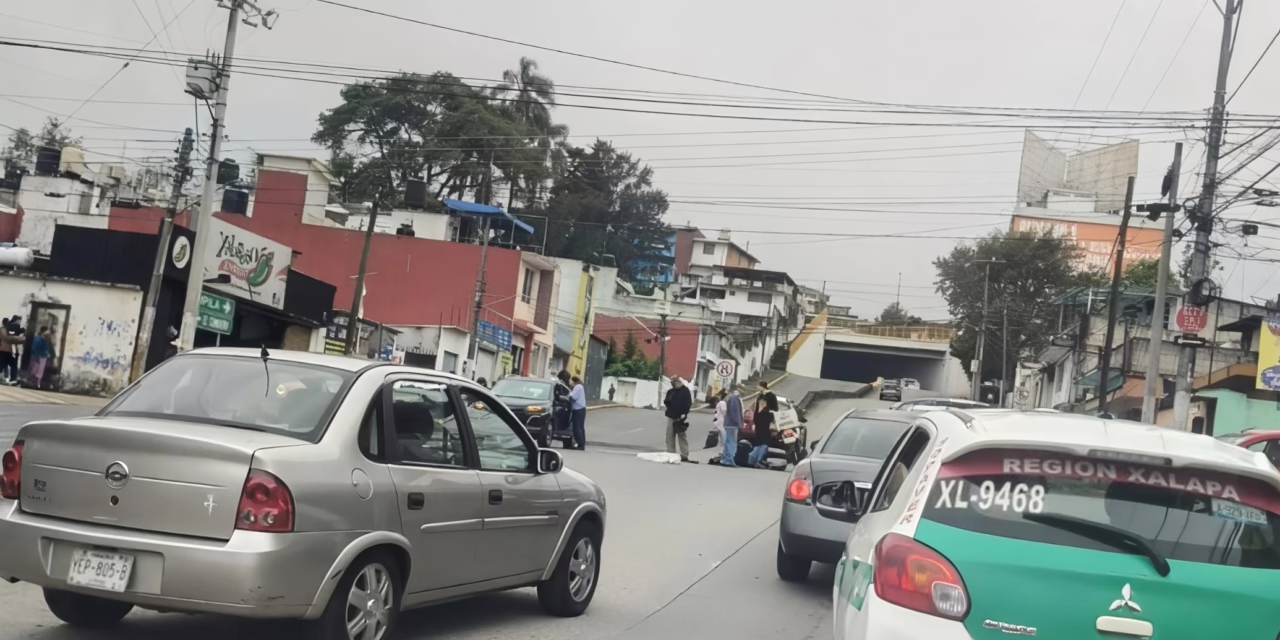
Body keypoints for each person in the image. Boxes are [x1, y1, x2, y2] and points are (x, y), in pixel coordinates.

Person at [748, 380, 778, 468]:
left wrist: (766, 408)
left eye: (758, 386)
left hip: (765, 420)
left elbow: (775, 408)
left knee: (763, 440)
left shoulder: (770, 396)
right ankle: (756, 459)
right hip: (760, 420)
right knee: (761, 440)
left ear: (762, 386)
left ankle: (757, 459)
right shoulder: (760, 395)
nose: (757, 387)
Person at [663, 377, 693, 461]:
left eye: (677, 382)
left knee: (682, 435)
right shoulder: (671, 391)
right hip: (671, 415)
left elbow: (688, 403)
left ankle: (684, 454)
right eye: (674, 382)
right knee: (669, 435)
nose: (676, 384)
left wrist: (685, 413)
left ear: (680, 382)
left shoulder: (685, 391)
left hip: (681, 417)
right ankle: (670, 452)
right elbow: (666, 401)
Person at [721, 388, 744, 467]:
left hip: (729, 424)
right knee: (731, 442)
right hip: (732, 424)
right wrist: (740, 424)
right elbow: (735, 412)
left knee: (728, 441)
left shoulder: (732, 398)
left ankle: (725, 459)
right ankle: (729, 460)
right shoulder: (734, 398)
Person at [569, 375, 587, 450]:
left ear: (573, 381)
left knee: (577, 427)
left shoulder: (577, 387)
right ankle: (581, 443)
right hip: (581, 409)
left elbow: (573, 397)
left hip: (578, 409)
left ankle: (580, 444)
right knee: (580, 427)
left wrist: (569, 395)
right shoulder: (580, 386)